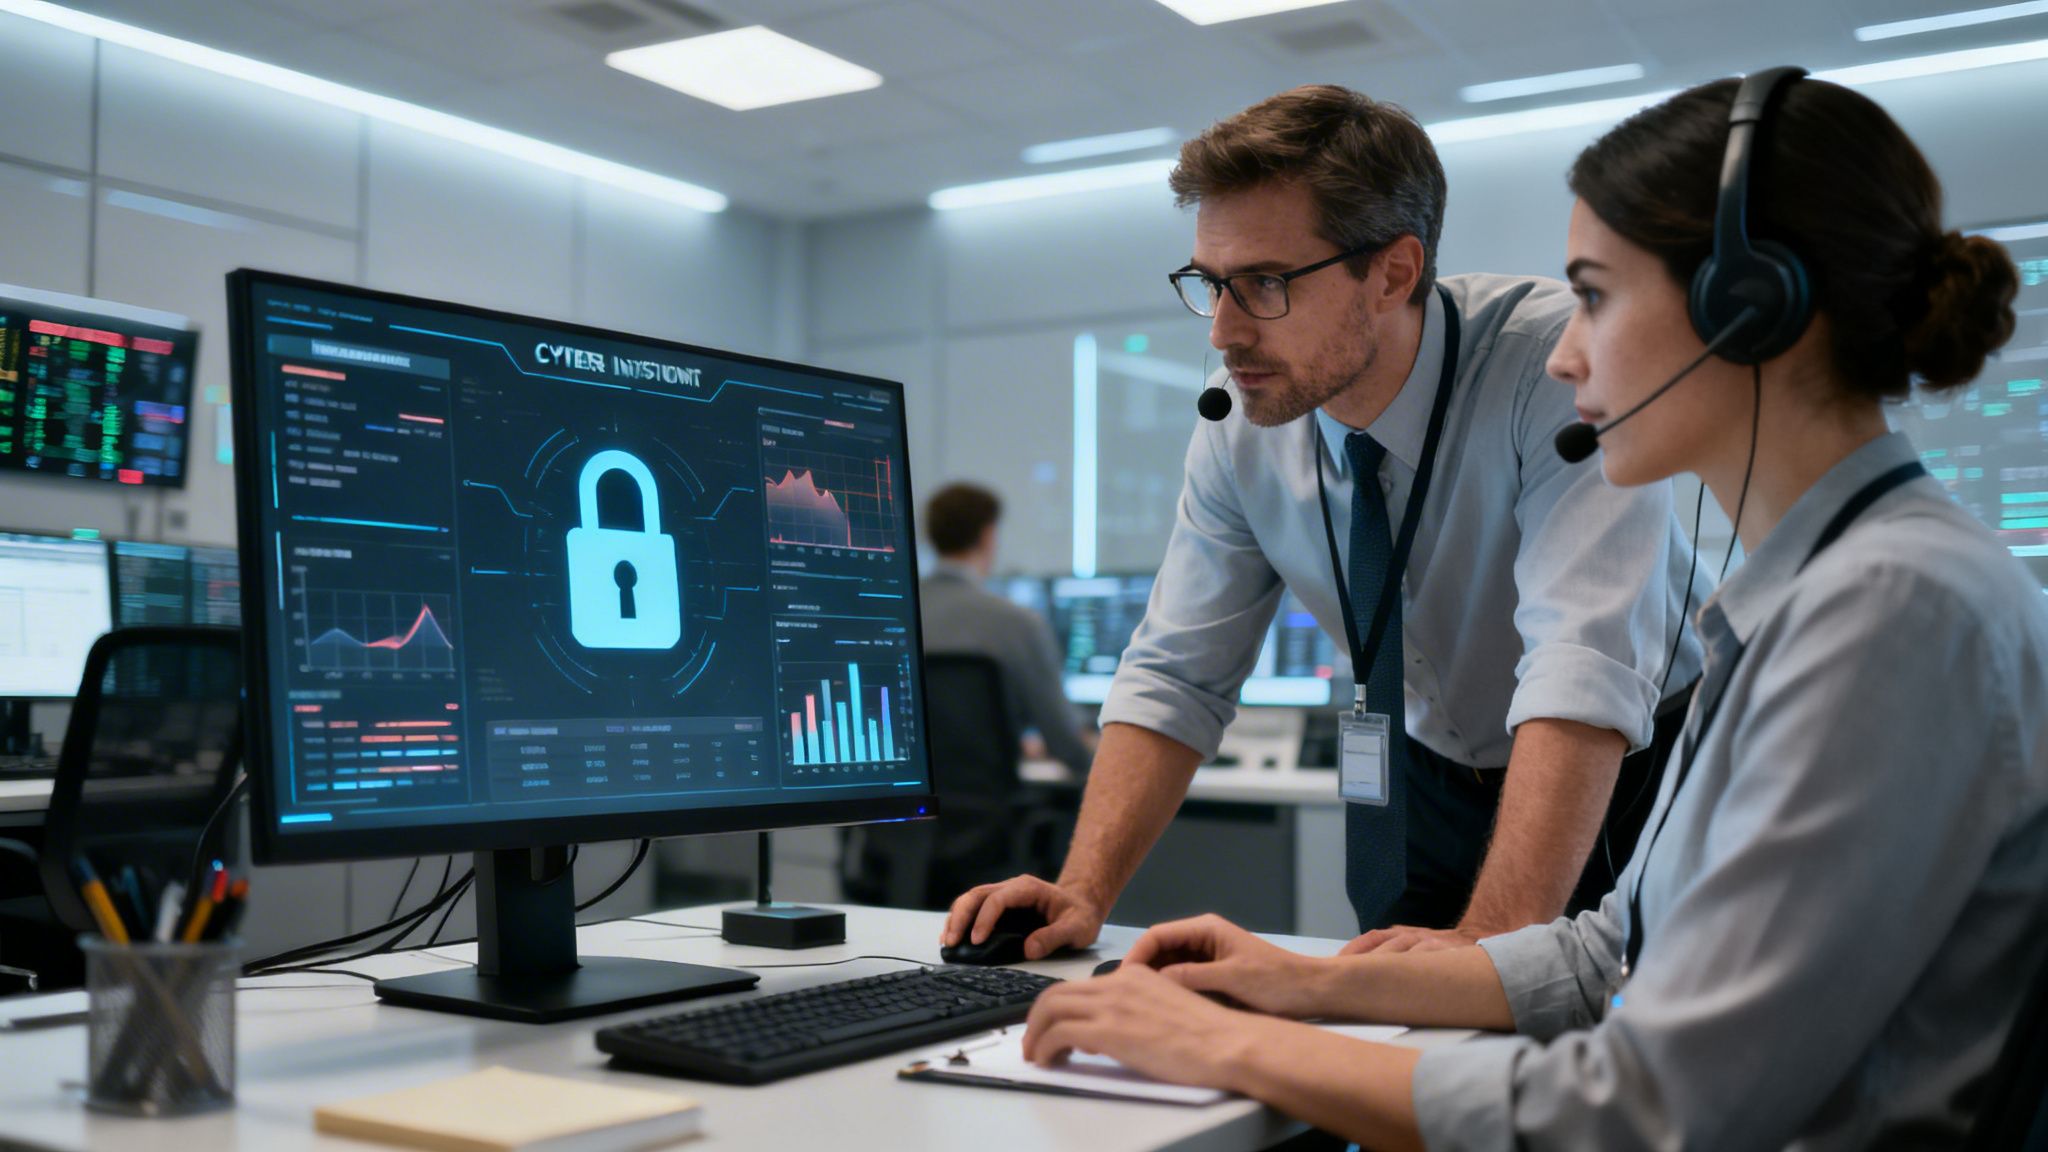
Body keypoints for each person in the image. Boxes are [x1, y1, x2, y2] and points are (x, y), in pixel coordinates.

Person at [1019, 70, 2045, 1149]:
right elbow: (1613, 949)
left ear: (1746, 312)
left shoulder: (1887, 614)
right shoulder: (1820, 595)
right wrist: (1297, 983)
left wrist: (1225, 1047)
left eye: (1594, 295)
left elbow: (1648, 1105)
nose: (1565, 350)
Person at [944, 84, 1706, 959]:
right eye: (1211, 284)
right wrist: (1080, 893)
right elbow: (1178, 673)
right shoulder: (1243, 421)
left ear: (1392, 273)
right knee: (1389, 1054)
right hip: (1426, 774)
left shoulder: (1553, 370)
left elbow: (1583, 669)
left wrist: (1488, 950)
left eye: (1265, 284)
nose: (1226, 333)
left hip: (1628, 767)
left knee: (1598, 1054)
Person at [918, 482, 1096, 775]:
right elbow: (1067, 744)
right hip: (989, 809)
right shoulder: (1017, 624)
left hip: (909, 812)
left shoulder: (895, 620)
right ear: (988, 536)